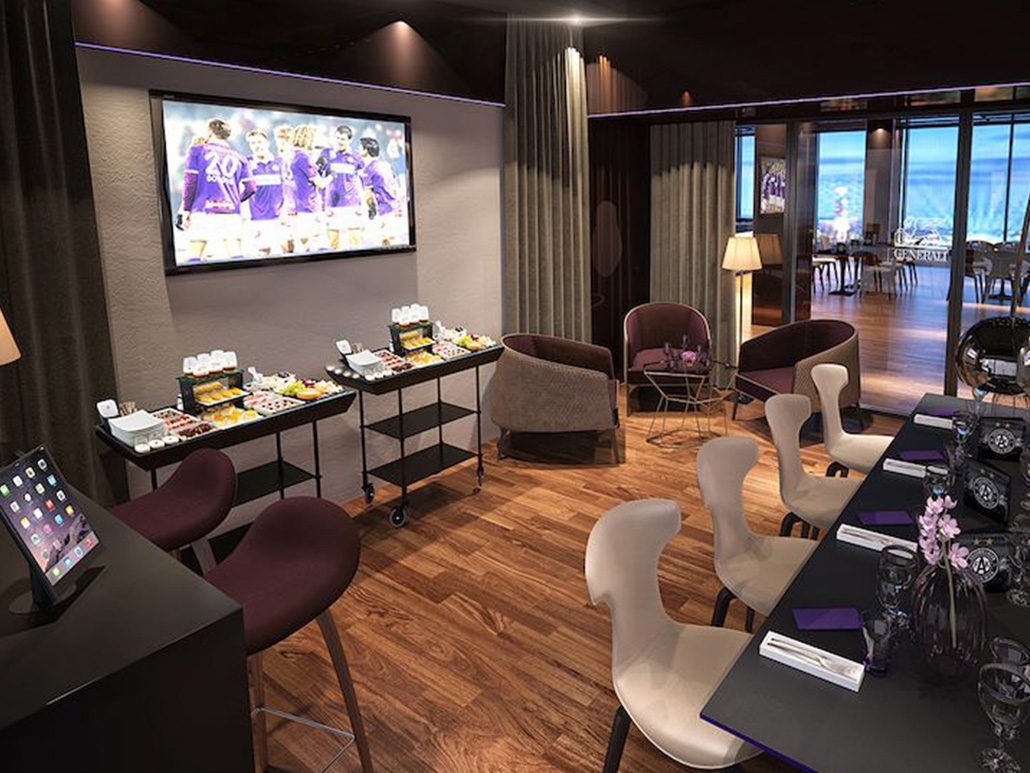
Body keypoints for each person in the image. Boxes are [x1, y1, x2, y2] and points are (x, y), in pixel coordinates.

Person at [180, 118, 256, 261]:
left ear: (209, 132)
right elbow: (251, 187)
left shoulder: (197, 150)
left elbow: (190, 182)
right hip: (231, 212)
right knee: (236, 256)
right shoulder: (240, 157)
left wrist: (186, 209)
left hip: (204, 209)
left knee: (194, 257)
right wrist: (235, 200)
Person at [320, 125, 366, 249]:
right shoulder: (326, 154)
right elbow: (317, 178)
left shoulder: (356, 157)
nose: (339, 141)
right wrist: (321, 203)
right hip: (331, 204)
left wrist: (362, 204)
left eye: (342, 139)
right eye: (337, 138)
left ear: (349, 140)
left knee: (355, 243)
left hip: (352, 204)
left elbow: (364, 180)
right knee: (333, 244)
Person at [244, 129, 286, 257]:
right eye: (253, 143)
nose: (257, 146)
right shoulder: (246, 163)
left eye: (259, 142)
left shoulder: (280, 162)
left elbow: (288, 189)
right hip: (256, 218)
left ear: (267, 143)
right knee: (262, 253)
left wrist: (286, 211)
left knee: (285, 251)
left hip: (279, 217)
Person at [289, 124, 330, 252]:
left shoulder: (291, 155)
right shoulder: (304, 157)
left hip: (296, 203)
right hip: (307, 205)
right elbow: (320, 183)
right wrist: (332, 176)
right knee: (313, 242)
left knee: (302, 241)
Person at [358, 136, 402, 246]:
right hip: (393, 208)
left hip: (381, 210)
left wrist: (371, 211)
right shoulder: (386, 165)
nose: (358, 149)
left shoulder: (368, 170)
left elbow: (368, 196)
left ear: (366, 150)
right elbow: (395, 186)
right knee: (390, 241)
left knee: (381, 244)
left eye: (360, 147)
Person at [274, 124, 296, 253]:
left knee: (290, 241)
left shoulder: (291, 158)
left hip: (291, 202)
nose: (280, 142)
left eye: (284, 138)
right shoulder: (279, 158)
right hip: (282, 202)